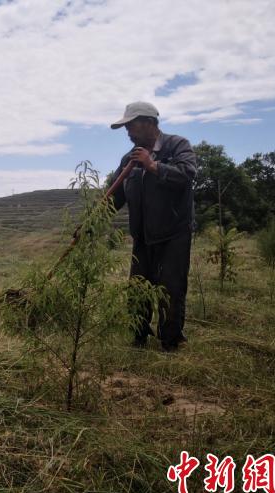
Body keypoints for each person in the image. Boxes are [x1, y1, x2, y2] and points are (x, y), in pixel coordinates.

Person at [108, 102, 197, 351]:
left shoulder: (177, 145)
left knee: (171, 288)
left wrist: (152, 165)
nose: (127, 131)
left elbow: (186, 176)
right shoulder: (129, 158)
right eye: (125, 126)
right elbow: (114, 196)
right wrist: (92, 222)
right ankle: (138, 337)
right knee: (137, 289)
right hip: (143, 237)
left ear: (149, 123)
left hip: (174, 234)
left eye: (131, 125)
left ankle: (170, 342)